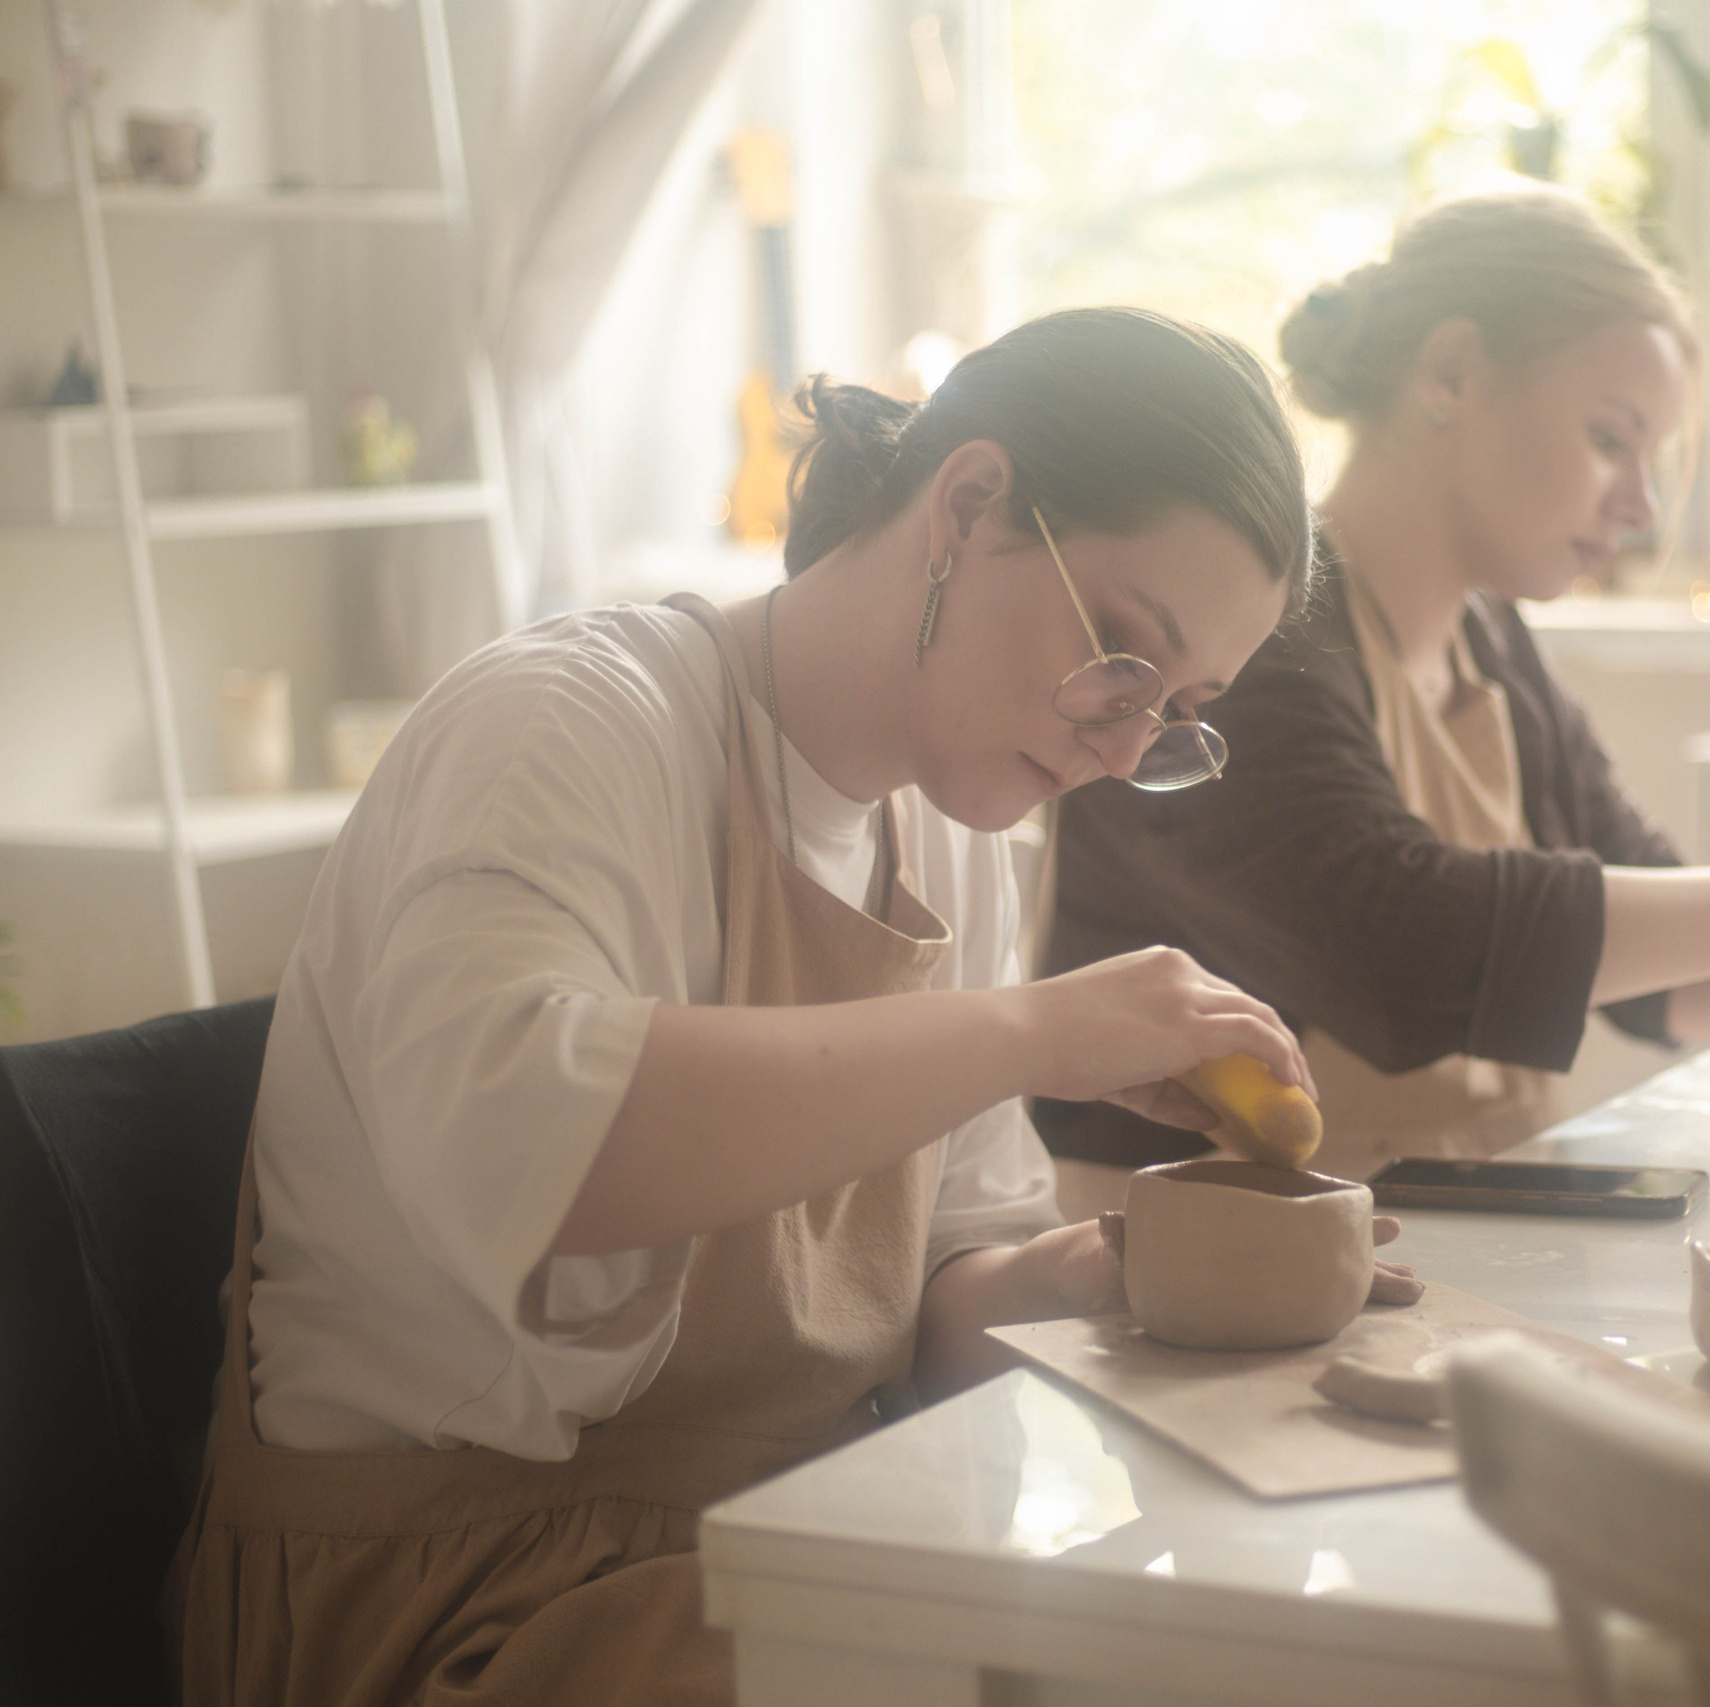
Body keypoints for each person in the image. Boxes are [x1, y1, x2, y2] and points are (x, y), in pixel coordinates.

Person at [170, 307, 1400, 1706]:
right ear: (969, 502)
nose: (1121, 748)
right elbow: (527, 1137)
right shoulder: (567, 722)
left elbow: (939, 1311)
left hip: (788, 1549)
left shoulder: (957, 835)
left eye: (1175, 712)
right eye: (1121, 654)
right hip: (462, 1598)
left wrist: (1119, 1276)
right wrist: (1040, 1028)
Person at [1034, 190, 1710, 1194]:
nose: (1641, 504)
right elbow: (1409, 952)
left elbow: (1656, 965)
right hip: (1198, 1255)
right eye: (1611, 439)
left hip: (1449, 1223)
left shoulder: (1493, 642)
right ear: (1451, 373)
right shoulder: (1256, 637)